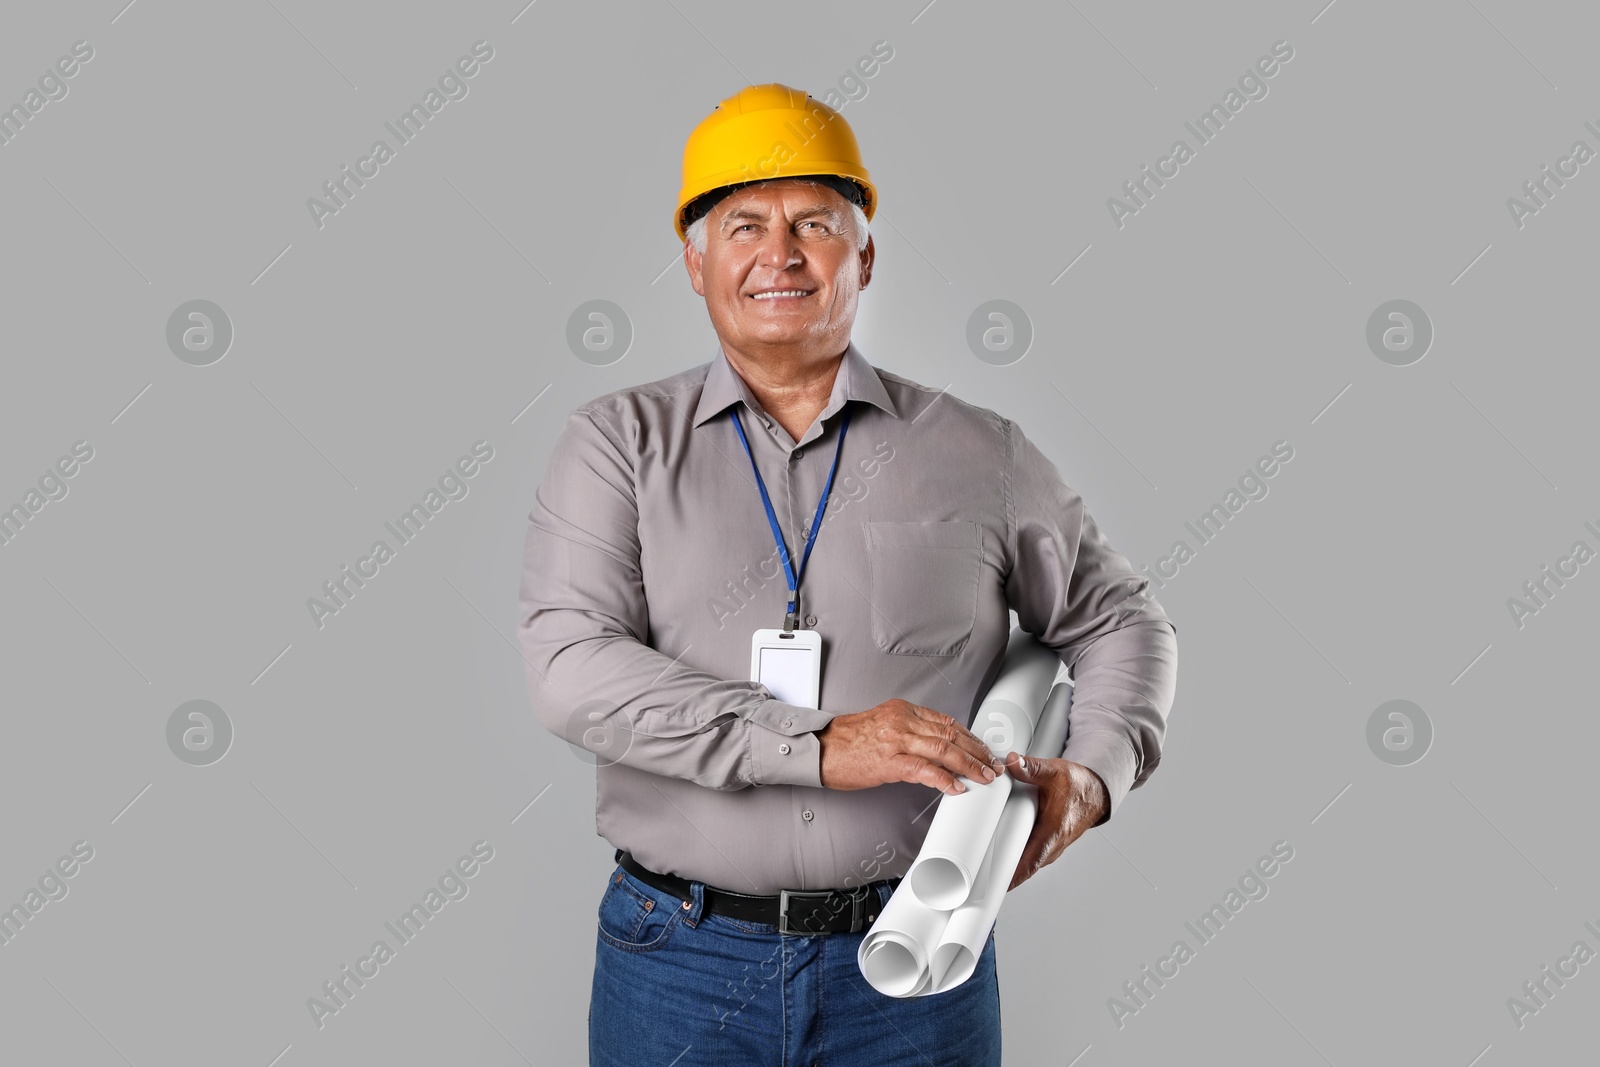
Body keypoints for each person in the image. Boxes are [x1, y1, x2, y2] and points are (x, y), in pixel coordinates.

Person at [517, 82, 1178, 1067]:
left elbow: (1119, 616)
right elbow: (570, 668)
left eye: (813, 224)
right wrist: (822, 741)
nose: (778, 254)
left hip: (914, 960)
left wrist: (1093, 772)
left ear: (862, 257)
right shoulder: (615, 445)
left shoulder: (979, 452)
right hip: (680, 959)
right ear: (694, 263)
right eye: (743, 224)